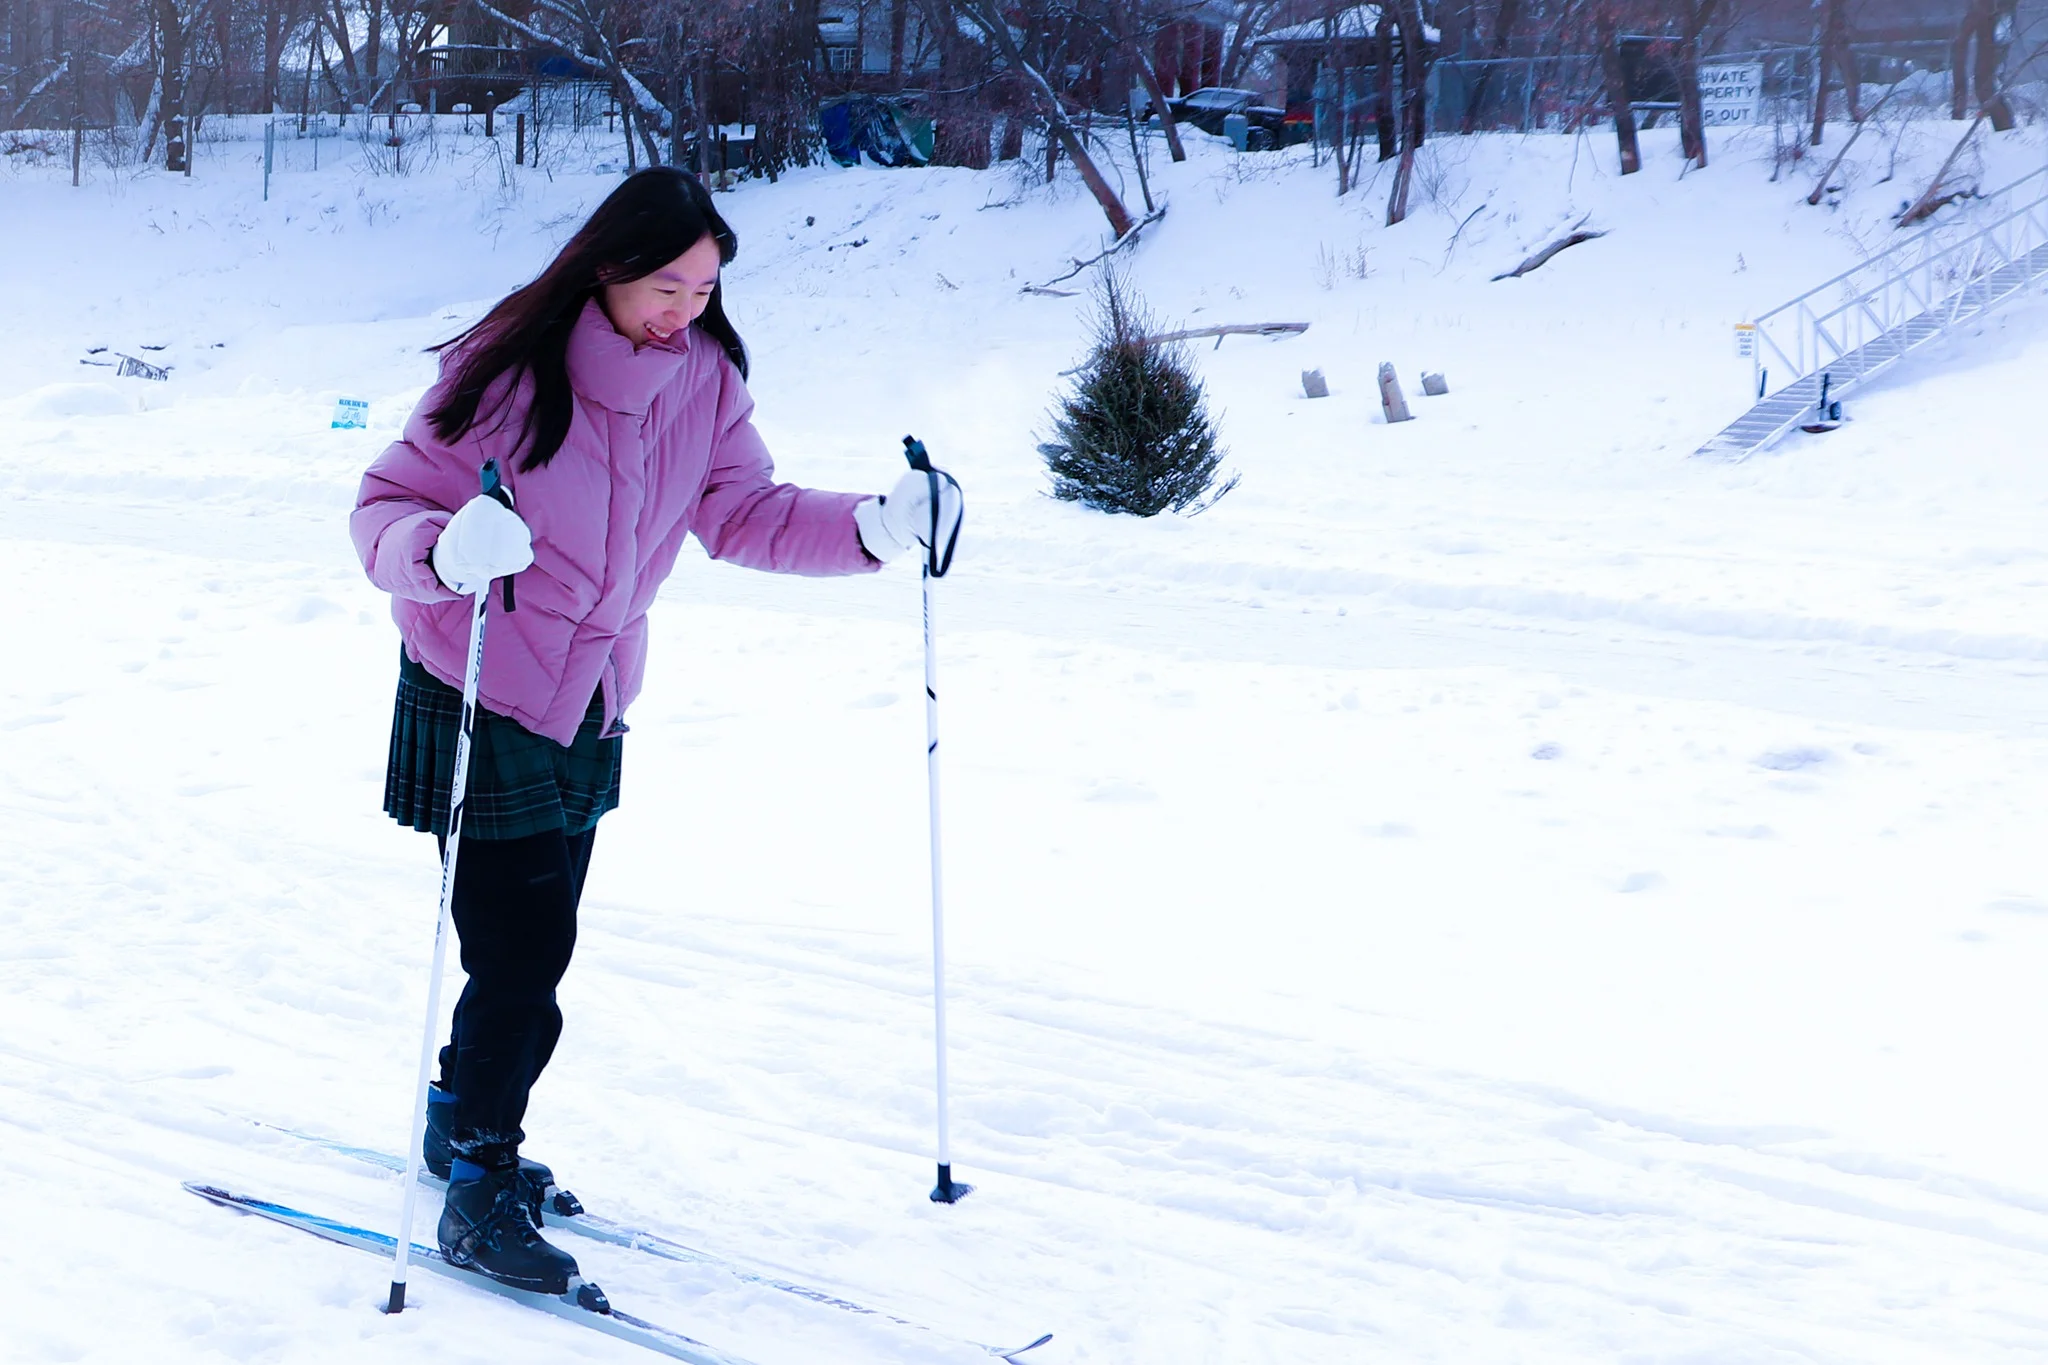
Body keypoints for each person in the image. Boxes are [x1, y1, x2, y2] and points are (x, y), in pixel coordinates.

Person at [349, 167, 962, 1294]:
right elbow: (383, 505)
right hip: (480, 680)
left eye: (705, 286)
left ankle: (453, 1118)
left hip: (589, 696)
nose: (684, 307)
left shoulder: (706, 383)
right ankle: (480, 1182)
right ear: (607, 266)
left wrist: (877, 529)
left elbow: (743, 513)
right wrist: (438, 553)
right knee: (520, 954)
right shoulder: (502, 371)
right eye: (667, 284)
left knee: (538, 939)